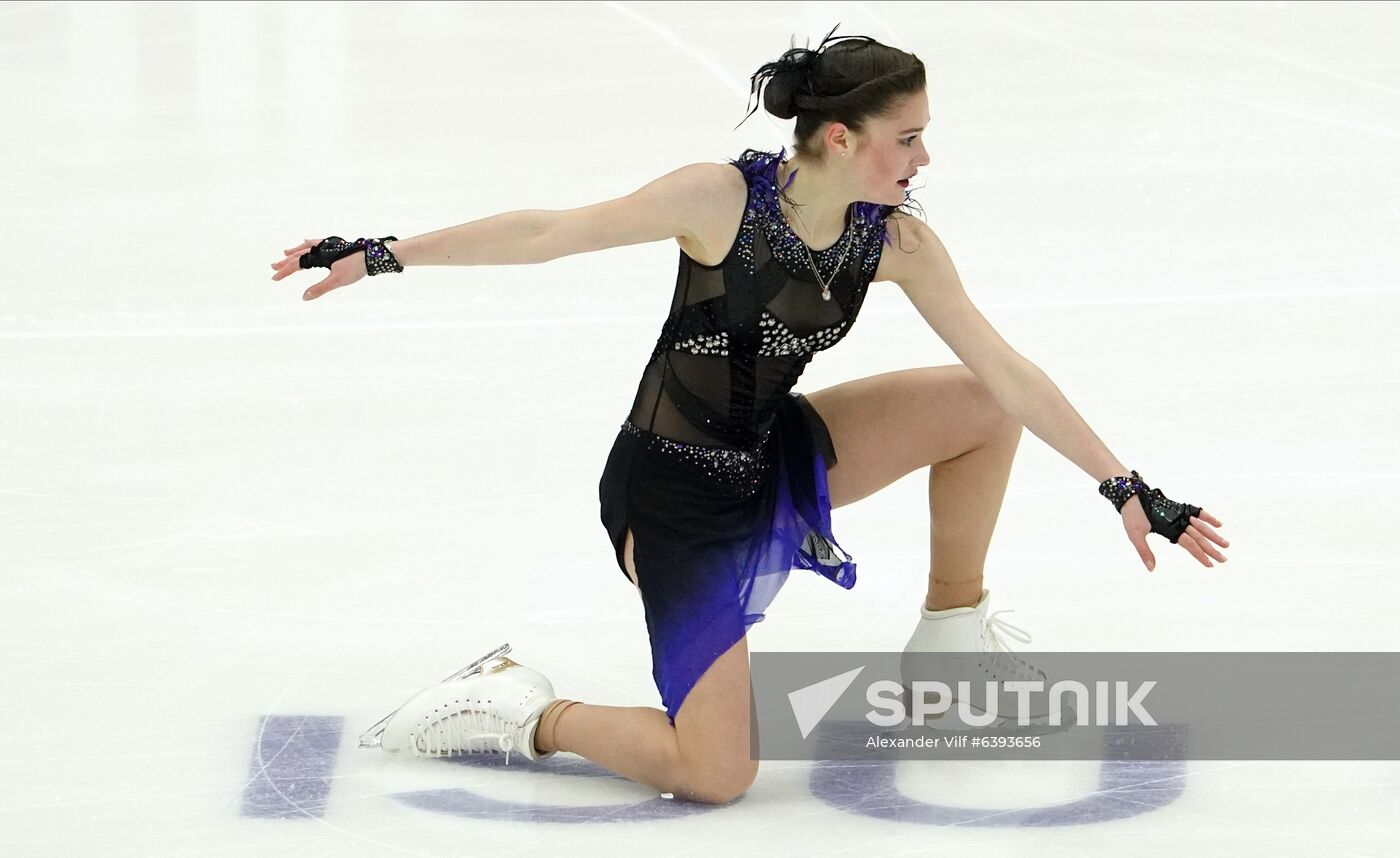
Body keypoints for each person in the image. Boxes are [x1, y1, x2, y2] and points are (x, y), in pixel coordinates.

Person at [269, 25, 1231, 805]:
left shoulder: (896, 242)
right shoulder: (718, 199)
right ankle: (516, 706)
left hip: (772, 456)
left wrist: (1123, 486)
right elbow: (553, 233)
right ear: (842, 137)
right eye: (909, 136)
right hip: (671, 498)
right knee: (715, 774)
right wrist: (386, 251)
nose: (925, 156)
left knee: (977, 402)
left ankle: (950, 636)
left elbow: (1008, 373)